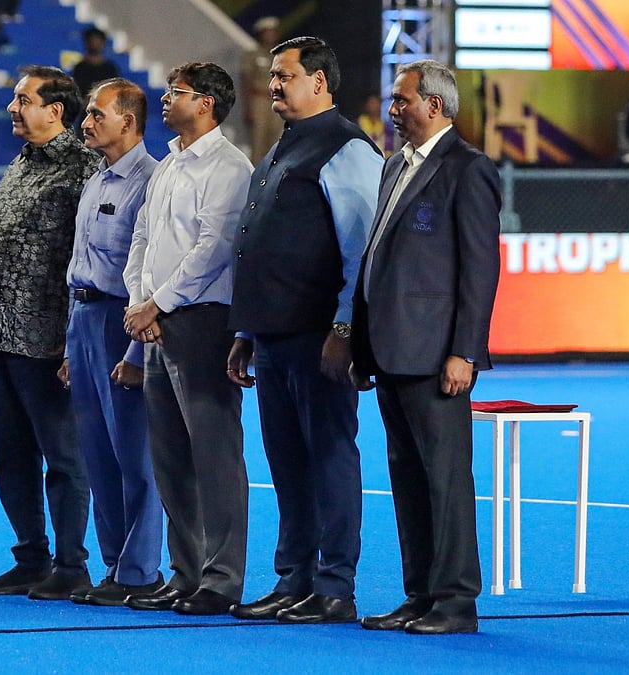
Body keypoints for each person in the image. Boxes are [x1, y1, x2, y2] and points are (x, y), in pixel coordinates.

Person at [226, 36, 382, 624]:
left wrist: (344, 328)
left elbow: (362, 250)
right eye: (272, 75)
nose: (272, 85)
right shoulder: (283, 147)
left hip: (318, 335)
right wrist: (247, 330)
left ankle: (335, 586)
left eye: (283, 75)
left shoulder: (348, 148)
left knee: (330, 456)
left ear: (319, 81)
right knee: (287, 461)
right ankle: (294, 579)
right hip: (273, 334)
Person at [350, 59, 501, 635]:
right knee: (409, 479)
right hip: (389, 348)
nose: (392, 109)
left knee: (445, 481)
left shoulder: (468, 168)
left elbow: (480, 270)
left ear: (434, 105)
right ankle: (419, 595)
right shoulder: (395, 165)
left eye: (401, 100)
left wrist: (466, 351)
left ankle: (456, 601)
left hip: (436, 353)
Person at [121, 62, 253, 616]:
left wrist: (158, 303)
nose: (165, 99)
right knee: (171, 456)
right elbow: (143, 238)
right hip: (156, 321)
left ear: (206, 103)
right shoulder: (169, 163)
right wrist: (140, 303)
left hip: (202, 321)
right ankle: (186, 572)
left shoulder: (229, 167)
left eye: (176, 92)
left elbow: (213, 249)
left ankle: (222, 579)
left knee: (214, 454)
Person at [0, 65, 99, 601]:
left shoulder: (84, 168)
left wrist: (72, 337)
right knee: (10, 457)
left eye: (23, 100)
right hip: (0, 335)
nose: (12, 108)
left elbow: (87, 255)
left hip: (46, 339)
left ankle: (71, 564)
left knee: (63, 457)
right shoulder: (22, 162)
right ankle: (30, 558)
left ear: (56, 110)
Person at [58, 78, 163, 607]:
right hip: (83, 319)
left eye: (97, 114)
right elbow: (80, 262)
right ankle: (115, 566)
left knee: (134, 455)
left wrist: (137, 350)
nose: (86, 122)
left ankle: (141, 572)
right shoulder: (95, 180)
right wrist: (69, 345)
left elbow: (149, 272)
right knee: (97, 454)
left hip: (122, 321)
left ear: (128, 120)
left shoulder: (152, 181)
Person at [241, 16, 283, 164]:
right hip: (259, 101)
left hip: (278, 101)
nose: (270, 35)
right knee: (258, 142)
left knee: (277, 142)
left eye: (273, 32)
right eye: (267, 32)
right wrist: (248, 108)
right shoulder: (253, 54)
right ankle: (256, 172)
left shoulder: (282, 55)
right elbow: (246, 80)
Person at [70, 27, 119, 103]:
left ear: (103, 43)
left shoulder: (110, 68)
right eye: (92, 41)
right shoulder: (80, 68)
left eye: (97, 41)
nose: (94, 44)